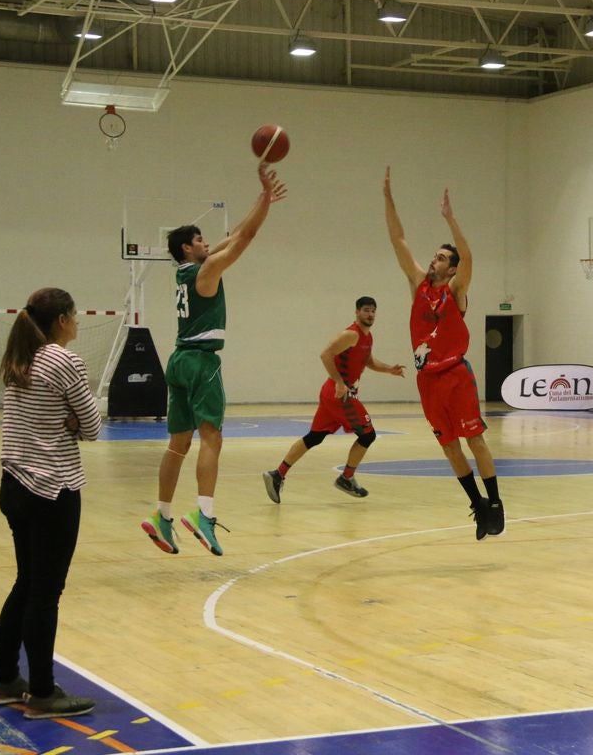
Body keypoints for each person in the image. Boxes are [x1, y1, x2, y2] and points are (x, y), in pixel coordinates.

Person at [141, 163, 286, 557]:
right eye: (201, 239)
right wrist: (265, 205)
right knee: (212, 438)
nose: (208, 242)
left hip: (178, 360)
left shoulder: (186, 274)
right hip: (202, 362)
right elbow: (246, 238)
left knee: (178, 444)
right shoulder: (206, 273)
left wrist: (262, 198)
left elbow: (235, 232)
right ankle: (203, 516)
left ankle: (162, 516)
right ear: (188, 247)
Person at [0, 288, 100, 720]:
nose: (77, 321)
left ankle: (5, 678)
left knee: (26, 581)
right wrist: (71, 419)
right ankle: (42, 692)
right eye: (74, 314)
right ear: (62, 321)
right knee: (45, 593)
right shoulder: (63, 360)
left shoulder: (21, 357)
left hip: (14, 484)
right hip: (52, 488)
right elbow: (91, 426)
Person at [382, 166, 503, 540]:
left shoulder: (456, 290)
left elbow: (468, 257)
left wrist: (451, 221)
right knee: (449, 448)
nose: (433, 260)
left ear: (451, 269)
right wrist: (388, 199)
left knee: (474, 440)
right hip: (427, 380)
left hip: (455, 375)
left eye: (440, 257)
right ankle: (478, 505)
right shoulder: (418, 284)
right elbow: (398, 240)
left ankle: (496, 503)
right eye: (433, 256)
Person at [262, 296, 406, 502]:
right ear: (357, 312)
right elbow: (325, 354)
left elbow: (369, 361)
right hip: (341, 396)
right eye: (366, 310)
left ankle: (278, 474)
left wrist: (389, 369)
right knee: (367, 436)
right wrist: (339, 382)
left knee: (314, 437)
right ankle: (346, 478)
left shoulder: (368, 337)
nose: (370, 314)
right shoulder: (351, 334)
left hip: (332, 394)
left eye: (373, 311)